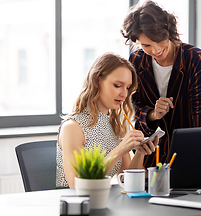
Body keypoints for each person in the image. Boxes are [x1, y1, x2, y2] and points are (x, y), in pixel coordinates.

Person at [121, 1, 201, 216]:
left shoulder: (194, 58)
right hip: (153, 151)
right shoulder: (137, 61)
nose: (154, 50)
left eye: (158, 41)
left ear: (167, 32)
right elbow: (134, 106)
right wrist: (152, 113)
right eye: (145, 45)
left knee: (196, 213)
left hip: (189, 148)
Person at [56, 52, 159, 189]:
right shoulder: (72, 127)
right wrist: (121, 149)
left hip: (102, 201)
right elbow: (77, 184)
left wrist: (140, 152)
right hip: (76, 205)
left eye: (127, 87)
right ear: (97, 81)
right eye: (117, 85)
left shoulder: (115, 126)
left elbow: (128, 181)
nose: (124, 94)